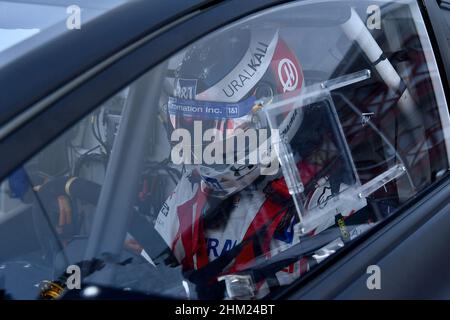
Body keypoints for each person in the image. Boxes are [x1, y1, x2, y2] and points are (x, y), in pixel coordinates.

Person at [154, 26, 367, 298]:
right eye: (190, 123)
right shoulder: (192, 188)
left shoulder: (328, 205)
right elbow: (156, 276)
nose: (200, 143)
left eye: (214, 125)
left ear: (269, 113)